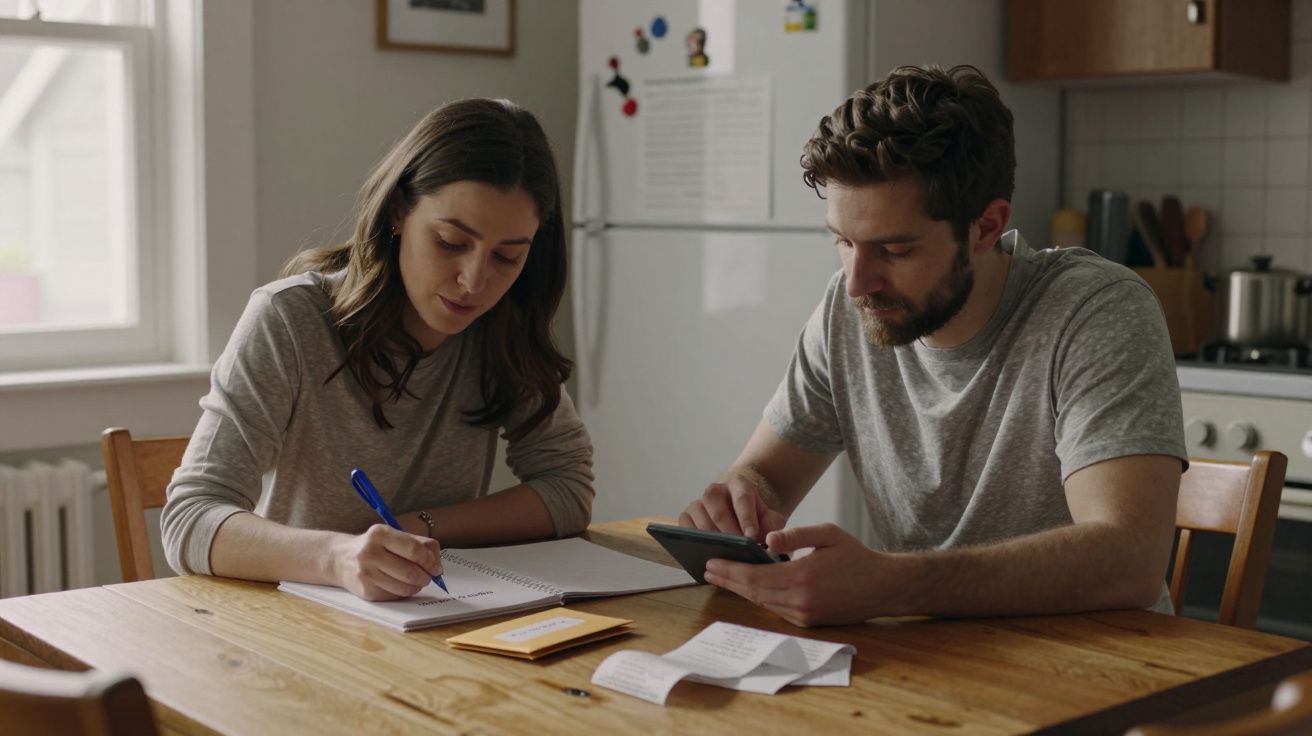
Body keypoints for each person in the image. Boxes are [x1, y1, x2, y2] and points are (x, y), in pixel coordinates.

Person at [678, 65, 1186, 627]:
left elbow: (1128, 558)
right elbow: (765, 475)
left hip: (1101, 669)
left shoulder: (1095, 310)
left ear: (986, 227)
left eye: (894, 251)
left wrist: (888, 584)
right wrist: (741, 497)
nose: (857, 283)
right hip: (927, 665)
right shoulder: (848, 310)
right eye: (844, 242)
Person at [161, 99, 593, 602]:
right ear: (397, 213)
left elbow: (567, 489)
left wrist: (417, 527)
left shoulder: (500, 331)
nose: (475, 282)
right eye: (451, 241)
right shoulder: (290, 320)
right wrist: (340, 557)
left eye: (507, 256)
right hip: (302, 626)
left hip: (442, 621)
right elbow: (189, 519)